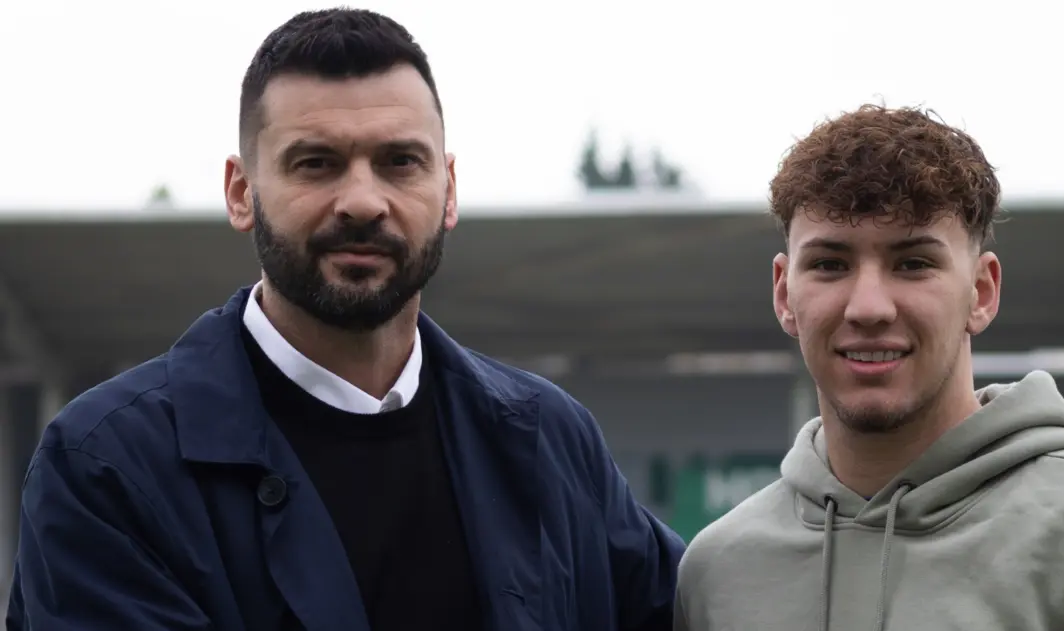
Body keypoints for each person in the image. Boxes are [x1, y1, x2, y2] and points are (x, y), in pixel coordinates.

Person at [5, 8, 683, 631]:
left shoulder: (548, 440)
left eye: (400, 162)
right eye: (317, 163)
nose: (362, 201)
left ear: (448, 190)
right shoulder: (107, 465)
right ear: (241, 193)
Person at [673, 105, 1064, 630]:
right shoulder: (718, 574)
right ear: (784, 294)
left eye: (913, 264)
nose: (869, 307)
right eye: (830, 264)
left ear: (981, 292)